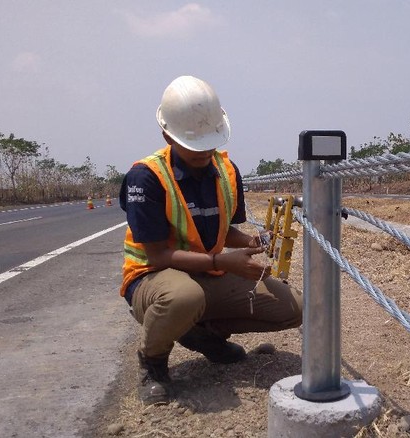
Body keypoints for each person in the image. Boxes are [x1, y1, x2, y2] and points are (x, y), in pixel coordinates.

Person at [118, 75, 303, 405]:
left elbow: (225, 230)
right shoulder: (145, 177)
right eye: (194, 146)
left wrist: (249, 242)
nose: (204, 152)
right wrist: (221, 261)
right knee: (182, 298)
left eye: (209, 142)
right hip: (154, 279)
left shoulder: (227, 170)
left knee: (293, 308)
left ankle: (203, 334)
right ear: (167, 135)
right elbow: (158, 255)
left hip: (206, 275)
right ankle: (154, 362)